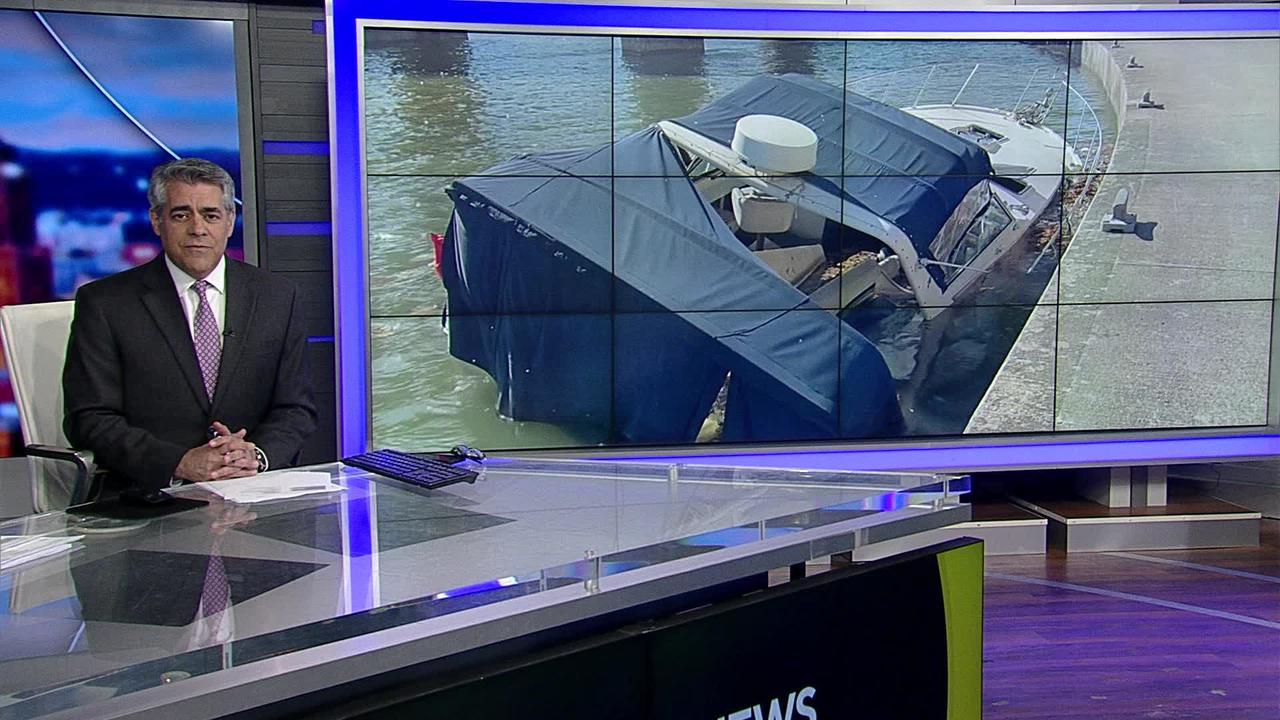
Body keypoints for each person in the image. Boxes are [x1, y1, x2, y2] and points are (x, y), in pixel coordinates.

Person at [62, 158, 317, 494]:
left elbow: (295, 407)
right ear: (156, 221)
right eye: (181, 215)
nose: (198, 228)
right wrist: (179, 462)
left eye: (211, 215)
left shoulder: (278, 298)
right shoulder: (106, 303)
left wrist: (256, 455)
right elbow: (89, 418)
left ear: (229, 222)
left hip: (253, 492)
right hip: (147, 498)